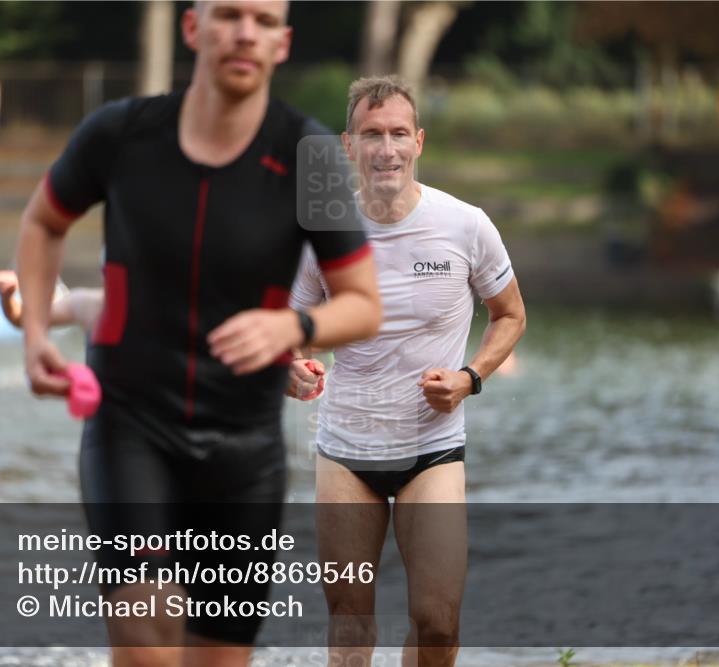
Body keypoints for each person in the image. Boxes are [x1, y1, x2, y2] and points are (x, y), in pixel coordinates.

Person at [13, 2, 382, 666]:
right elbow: (43, 222)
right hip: (131, 425)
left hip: (243, 450)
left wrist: (292, 324)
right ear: (192, 29)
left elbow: (361, 305)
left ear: (283, 43)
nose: (246, 32)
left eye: (265, 21)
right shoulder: (121, 135)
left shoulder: (314, 157)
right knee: (147, 637)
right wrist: (37, 331)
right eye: (229, 15)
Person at [287, 76, 526, 667]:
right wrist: (288, 369)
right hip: (346, 449)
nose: (386, 148)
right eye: (372, 134)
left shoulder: (466, 225)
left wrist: (470, 377)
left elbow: (511, 315)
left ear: (418, 141)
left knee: (439, 623)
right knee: (349, 624)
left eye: (397, 133)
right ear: (349, 146)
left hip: (433, 449)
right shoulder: (323, 232)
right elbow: (281, 330)